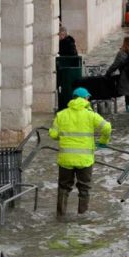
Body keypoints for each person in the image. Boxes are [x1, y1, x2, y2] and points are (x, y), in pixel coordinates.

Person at [49, 87, 112, 216]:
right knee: (84, 188)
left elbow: (54, 135)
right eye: (87, 97)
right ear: (85, 99)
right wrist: (103, 142)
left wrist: (61, 135)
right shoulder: (90, 115)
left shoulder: (61, 115)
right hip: (85, 160)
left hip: (66, 159)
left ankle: (60, 215)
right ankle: (82, 216)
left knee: (64, 187)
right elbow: (107, 128)